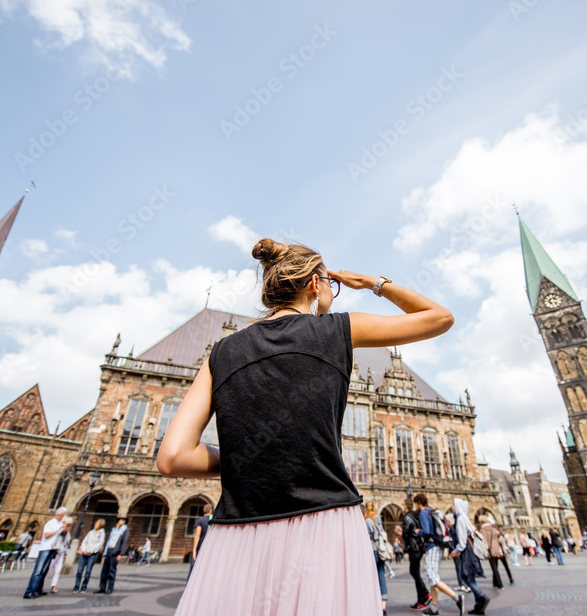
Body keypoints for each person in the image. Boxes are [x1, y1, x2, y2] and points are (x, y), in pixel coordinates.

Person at [158, 239, 455, 616]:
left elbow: (172, 457)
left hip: (237, 534)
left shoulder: (222, 351)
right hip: (326, 525)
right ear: (317, 284)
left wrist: (243, 457)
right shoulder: (339, 331)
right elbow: (440, 317)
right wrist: (372, 283)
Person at [415, 493, 464, 615]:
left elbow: (427, 531)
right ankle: (434, 608)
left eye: (415, 503)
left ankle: (457, 598)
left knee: (432, 577)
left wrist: (418, 532)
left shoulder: (423, 513)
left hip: (433, 546)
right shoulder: (431, 510)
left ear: (418, 503)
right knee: (433, 577)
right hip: (439, 546)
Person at [451, 499, 489, 615]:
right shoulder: (465, 517)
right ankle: (479, 606)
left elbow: (462, 541)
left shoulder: (461, 519)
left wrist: (456, 551)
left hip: (466, 549)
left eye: (454, 505)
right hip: (471, 548)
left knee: (464, 575)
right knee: (470, 576)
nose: (453, 507)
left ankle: (481, 596)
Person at [23, 507, 69, 599]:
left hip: (53, 549)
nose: (63, 517)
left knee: (44, 571)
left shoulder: (60, 523)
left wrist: (64, 531)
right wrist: (58, 530)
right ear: (58, 514)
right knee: (38, 571)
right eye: (63, 515)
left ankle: (38, 590)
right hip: (45, 549)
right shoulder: (50, 523)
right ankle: (29, 592)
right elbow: (46, 535)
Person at [402, 496, 431, 611]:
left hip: (413, 548)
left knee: (415, 572)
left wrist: (403, 536)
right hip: (419, 547)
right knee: (414, 572)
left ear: (405, 506)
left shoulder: (407, 517)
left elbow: (406, 533)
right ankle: (424, 596)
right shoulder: (417, 515)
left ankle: (423, 598)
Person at [364, 503, 389, 615]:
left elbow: (366, 537)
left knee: (370, 577)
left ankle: (371, 603)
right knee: (381, 576)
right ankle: (383, 606)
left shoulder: (367, 520)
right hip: (380, 551)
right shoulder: (378, 520)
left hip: (372, 551)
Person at [96, 516, 129, 594]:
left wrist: (121, 554)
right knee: (104, 571)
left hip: (115, 552)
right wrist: (104, 554)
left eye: (123, 519)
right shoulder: (114, 530)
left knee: (112, 571)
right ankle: (102, 587)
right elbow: (109, 541)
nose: (121, 520)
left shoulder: (125, 530)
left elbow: (124, 542)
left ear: (125, 521)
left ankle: (110, 588)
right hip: (109, 551)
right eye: (120, 519)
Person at [73, 518, 106, 594]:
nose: (95, 524)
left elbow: (100, 544)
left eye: (97, 523)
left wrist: (91, 551)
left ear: (100, 525)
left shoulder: (101, 534)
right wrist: (83, 550)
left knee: (88, 571)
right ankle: (76, 586)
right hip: (84, 553)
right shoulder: (91, 532)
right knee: (79, 571)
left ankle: (84, 587)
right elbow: (84, 541)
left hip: (93, 554)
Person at [481, 514, 511, 588]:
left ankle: (500, 584)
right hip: (497, 548)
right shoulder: (493, 528)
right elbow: (499, 535)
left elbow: (483, 540)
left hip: (489, 549)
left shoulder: (483, 529)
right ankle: (495, 583)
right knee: (495, 566)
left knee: (494, 567)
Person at [46, 520, 72, 593]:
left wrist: (67, 550)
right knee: (48, 569)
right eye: (67, 524)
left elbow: (68, 542)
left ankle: (53, 587)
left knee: (57, 571)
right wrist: (62, 529)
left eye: (70, 525)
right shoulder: (58, 531)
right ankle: (41, 586)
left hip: (61, 553)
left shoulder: (68, 533)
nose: (68, 526)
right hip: (55, 552)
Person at [187, 504, 211, 580]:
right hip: (209, 548)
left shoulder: (200, 520)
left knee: (193, 569)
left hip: (200, 547)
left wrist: (194, 550)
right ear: (211, 510)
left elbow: (197, 535)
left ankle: (190, 585)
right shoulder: (212, 520)